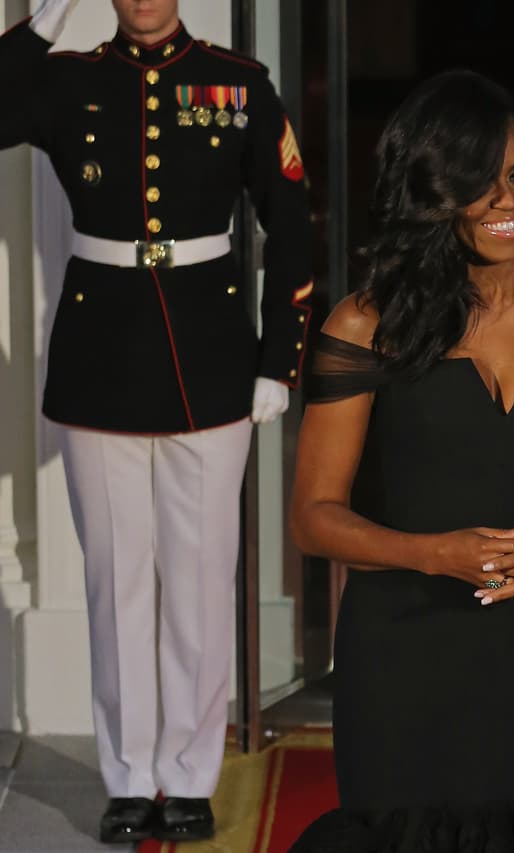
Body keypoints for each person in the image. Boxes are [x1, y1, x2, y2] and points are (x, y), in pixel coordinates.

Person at [288, 69, 514, 853]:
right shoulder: (365, 322)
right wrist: (434, 556)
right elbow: (314, 518)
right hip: (404, 653)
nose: (511, 203)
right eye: (480, 184)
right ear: (431, 190)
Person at [0, 0, 312, 843]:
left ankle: (188, 774)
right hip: (100, 354)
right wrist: (39, 20)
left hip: (211, 363)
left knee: (201, 581)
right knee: (117, 583)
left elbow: (290, 225)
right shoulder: (68, 80)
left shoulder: (237, 84)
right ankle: (130, 777)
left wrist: (278, 357)